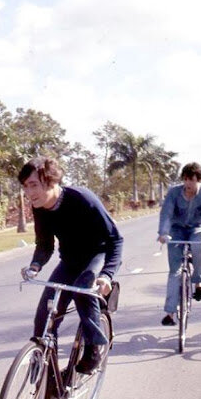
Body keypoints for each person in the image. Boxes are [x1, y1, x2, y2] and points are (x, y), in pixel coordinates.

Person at [19, 157, 124, 375]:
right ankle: (46, 375)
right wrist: (35, 266)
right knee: (45, 316)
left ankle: (94, 347)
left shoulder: (82, 198)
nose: (30, 192)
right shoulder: (39, 207)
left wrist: (106, 275)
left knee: (83, 286)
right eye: (26, 186)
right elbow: (45, 245)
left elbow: (116, 240)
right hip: (70, 261)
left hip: (98, 254)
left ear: (51, 182)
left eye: (34, 185)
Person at [158, 162, 201, 326]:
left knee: (198, 245)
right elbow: (166, 213)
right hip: (176, 230)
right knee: (174, 271)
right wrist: (163, 233)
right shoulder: (174, 192)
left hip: (196, 228)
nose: (188, 183)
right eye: (186, 179)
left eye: (192, 180)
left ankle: (198, 282)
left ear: (199, 180)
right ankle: (170, 313)